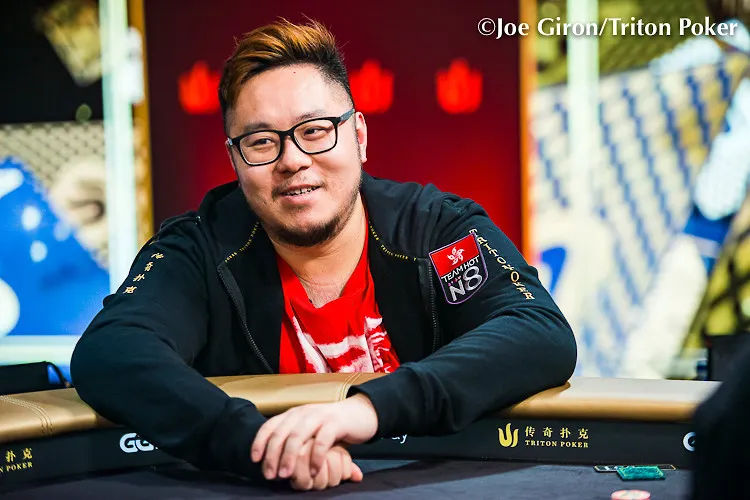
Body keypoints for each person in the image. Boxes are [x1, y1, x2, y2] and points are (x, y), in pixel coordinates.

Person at [70, 19, 577, 492]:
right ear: (235, 160)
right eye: (261, 141)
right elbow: (112, 351)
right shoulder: (198, 248)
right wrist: (258, 444)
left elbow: (538, 331)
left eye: (314, 130)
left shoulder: (435, 229)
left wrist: (366, 409)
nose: (292, 160)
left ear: (358, 136)